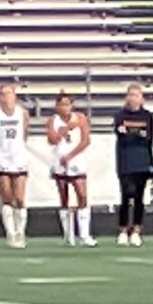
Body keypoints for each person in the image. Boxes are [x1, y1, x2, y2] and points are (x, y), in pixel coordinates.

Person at [112, 80, 153, 247]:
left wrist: (132, 134)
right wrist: (135, 134)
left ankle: (136, 229)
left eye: (136, 95)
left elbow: (148, 137)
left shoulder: (147, 116)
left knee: (139, 197)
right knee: (125, 195)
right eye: (130, 95)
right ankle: (123, 229)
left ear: (141, 98)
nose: (133, 98)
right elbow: (122, 135)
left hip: (142, 161)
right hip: (125, 161)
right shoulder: (120, 116)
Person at [47, 90, 92, 245]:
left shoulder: (80, 118)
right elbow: (52, 140)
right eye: (61, 105)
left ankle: (84, 234)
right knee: (64, 197)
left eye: (67, 104)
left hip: (76, 161)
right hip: (59, 161)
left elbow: (85, 140)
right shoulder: (53, 120)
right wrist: (65, 129)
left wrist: (71, 155)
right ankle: (68, 234)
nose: (64, 108)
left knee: (82, 195)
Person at [0, 82, 30, 247]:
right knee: (6, 197)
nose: (6, 97)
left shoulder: (22, 113)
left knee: (19, 198)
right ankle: (10, 233)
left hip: (18, 157)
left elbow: (24, 133)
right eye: (3, 94)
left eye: (9, 93)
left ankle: (21, 231)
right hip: (2, 157)